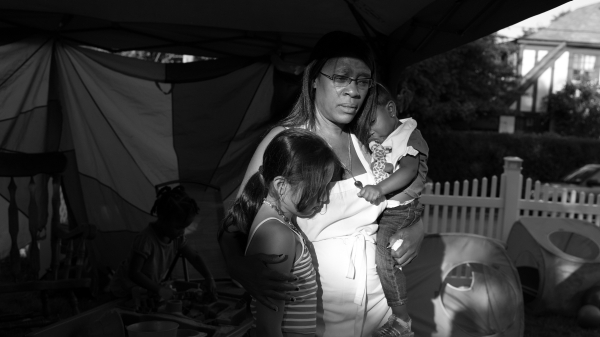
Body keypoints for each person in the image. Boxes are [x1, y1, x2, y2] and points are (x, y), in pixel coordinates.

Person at [218, 31, 425, 337]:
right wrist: (239, 268)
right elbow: (233, 224)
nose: (353, 91)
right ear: (314, 78)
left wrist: (418, 228)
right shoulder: (286, 141)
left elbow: (400, 199)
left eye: (362, 80)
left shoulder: (367, 144)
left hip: (380, 316)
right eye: (341, 77)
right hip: (314, 324)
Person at [222, 128, 341, 337]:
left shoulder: (279, 223)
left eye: (326, 188)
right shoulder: (277, 234)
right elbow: (268, 329)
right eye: (317, 189)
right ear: (281, 185)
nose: (324, 199)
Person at [357, 83, 429, 337]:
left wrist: (380, 189)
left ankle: (401, 319)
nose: (369, 130)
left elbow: (408, 170)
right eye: (363, 125)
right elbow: (391, 167)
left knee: (386, 261)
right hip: (391, 210)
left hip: (401, 211)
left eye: (371, 121)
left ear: (390, 109)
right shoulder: (386, 140)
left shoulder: (409, 135)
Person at [110, 186, 217, 302]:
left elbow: (194, 257)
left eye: (184, 227)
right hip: (123, 291)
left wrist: (208, 276)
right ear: (162, 218)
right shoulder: (145, 240)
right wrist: (160, 289)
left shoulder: (176, 238)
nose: (182, 232)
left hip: (143, 290)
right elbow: (134, 273)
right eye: (178, 227)